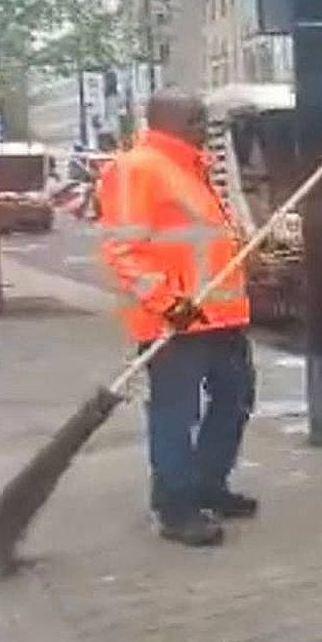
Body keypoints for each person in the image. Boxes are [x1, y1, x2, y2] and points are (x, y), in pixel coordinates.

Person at [97, 92, 256, 548]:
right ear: (173, 121)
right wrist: (167, 303)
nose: (205, 124)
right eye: (197, 117)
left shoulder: (192, 166)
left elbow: (199, 241)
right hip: (177, 322)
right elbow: (123, 250)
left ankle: (209, 484)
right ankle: (175, 506)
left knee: (236, 399)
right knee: (175, 413)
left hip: (220, 314)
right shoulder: (136, 168)